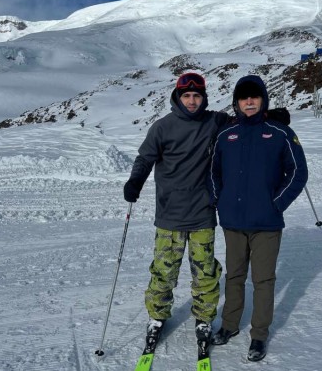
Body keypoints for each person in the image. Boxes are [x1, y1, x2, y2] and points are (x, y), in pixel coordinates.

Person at [123, 72, 228, 348]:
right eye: (187, 96)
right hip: (169, 215)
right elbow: (145, 158)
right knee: (163, 272)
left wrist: (270, 116)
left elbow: (244, 120)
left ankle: (204, 318)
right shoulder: (162, 127)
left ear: (204, 98)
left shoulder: (214, 122)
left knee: (205, 272)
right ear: (178, 97)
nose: (192, 101)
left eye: (197, 96)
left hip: (203, 213)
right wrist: (135, 181)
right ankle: (157, 317)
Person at [209, 75, 308, 362]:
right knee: (234, 276)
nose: (249, 101)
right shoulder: (226, 135)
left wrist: (277, 204)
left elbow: (298, 172)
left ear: (263, 99)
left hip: (266, 222)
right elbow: (213, 172)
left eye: (254, 96)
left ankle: (259, 334)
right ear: (236, 102)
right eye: (244, 97)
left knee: (263, 280)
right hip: (233, 221)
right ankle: (229, 325)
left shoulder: (280, 132)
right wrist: (219, 201)